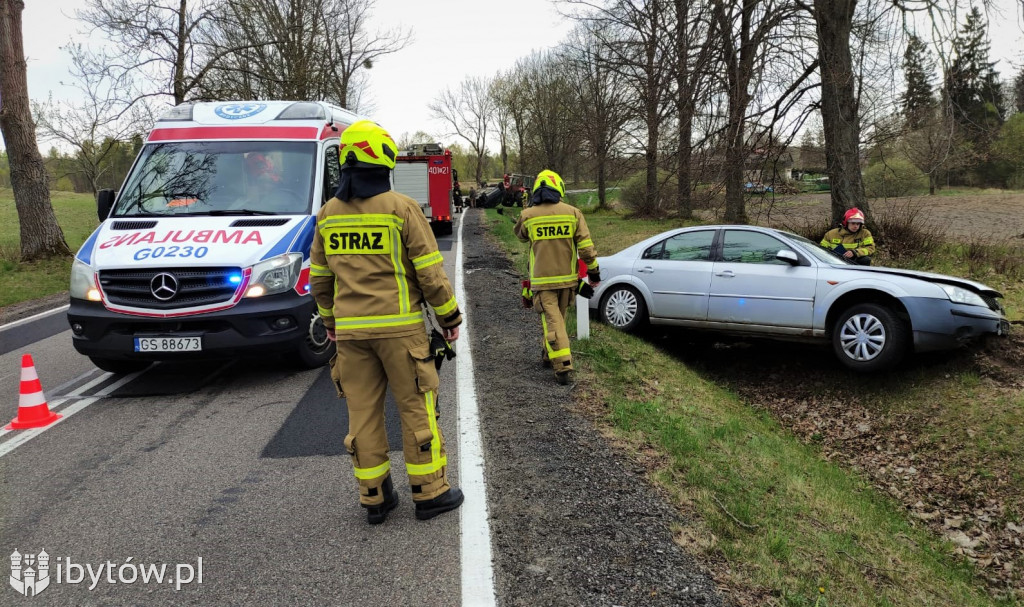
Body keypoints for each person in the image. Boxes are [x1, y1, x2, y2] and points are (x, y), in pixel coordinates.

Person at [310, 120, 464, 525]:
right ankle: (430, 494)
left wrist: (330, 323)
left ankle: (374, 497)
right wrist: (449, 317)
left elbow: (320, 281)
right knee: (416, 410)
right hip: (402, 333)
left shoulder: (328, 215)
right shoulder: (401, 208)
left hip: (351, 335)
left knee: (362, 415)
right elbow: (430, 272)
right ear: (384, 160)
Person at [513, 169, 600, 385]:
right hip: (568, 282)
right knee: (557, 320)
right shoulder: (573, 213)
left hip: (543, 282)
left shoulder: (528, 215)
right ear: (559, 188)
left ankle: (563, 365)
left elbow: (521, 236)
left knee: (553, 321)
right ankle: (547, 353)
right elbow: (586, 248)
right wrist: (594, 271)